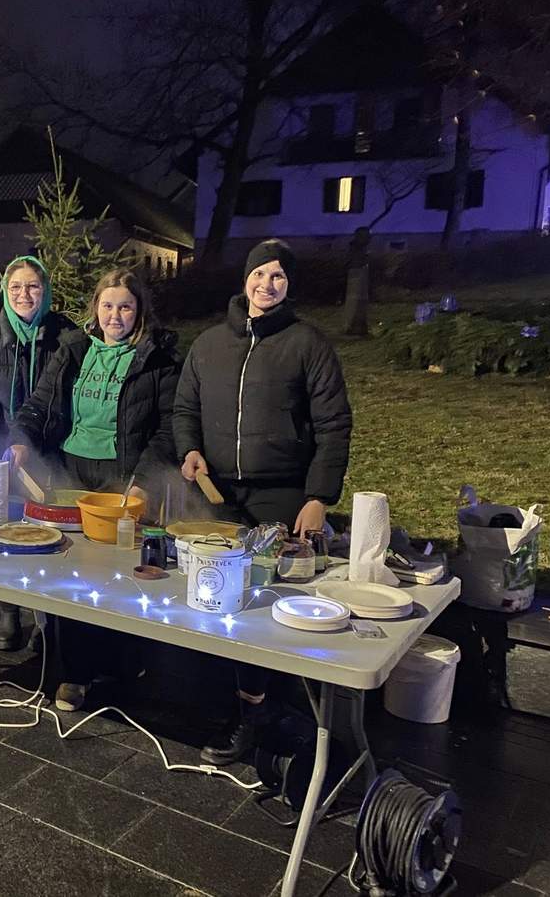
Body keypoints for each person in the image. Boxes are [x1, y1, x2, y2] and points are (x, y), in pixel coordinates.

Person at [173, 238, 352, 764]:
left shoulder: (307, 344)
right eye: (259, 274)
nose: (266, 284)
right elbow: (185, 409)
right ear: (244, 279)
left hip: (280, 492)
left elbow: (333, 424)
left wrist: (318, 496)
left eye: (277, 276)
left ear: (289, 285)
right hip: (218, 494)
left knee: (260, 605)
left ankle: (254, 713)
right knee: (211, 594)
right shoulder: (209, 344)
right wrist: (189, 450)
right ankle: (220, 696)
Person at [8, 268, 180, 711]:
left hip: (123, 479)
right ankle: (75, 674)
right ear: (95, 308)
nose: (114, 316)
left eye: (125, 307)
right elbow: (39, 403)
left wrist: (144, 480)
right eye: (107, 305)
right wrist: (22, 440)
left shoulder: (156, 359)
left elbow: (168, 427)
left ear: (139, 311)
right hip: (71, 475)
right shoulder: (74, 350)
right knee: (72, 574)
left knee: (118, 575)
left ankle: (123, 665)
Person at [0, 255, 75, 650]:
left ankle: (47, 621)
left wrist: (42, 445)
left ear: (45, 291)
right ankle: (8, 611)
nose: (24, 294)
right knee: (6, 533)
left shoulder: (66, 336)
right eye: (15, 287)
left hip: (54, 452)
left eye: (33, 286)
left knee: (51, 538)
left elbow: (72, 399)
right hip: (4, 456)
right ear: (4, 291)